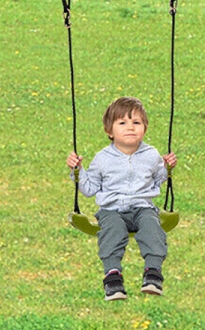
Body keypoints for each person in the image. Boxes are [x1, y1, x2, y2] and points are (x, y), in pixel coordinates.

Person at [67, 96, 178, 300]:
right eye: (122, 123)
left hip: (143, 208)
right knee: (112, 232)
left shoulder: (151, 155)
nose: (130, 128)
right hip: (111, 210)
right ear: (110, 131)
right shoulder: (102, 159)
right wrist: (78, 171)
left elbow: (157, 180)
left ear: (145, 128)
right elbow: (90, 189)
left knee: (153, 229)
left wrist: (167, 168)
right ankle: (113, 277)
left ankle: (153, 273)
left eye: (136, 122)